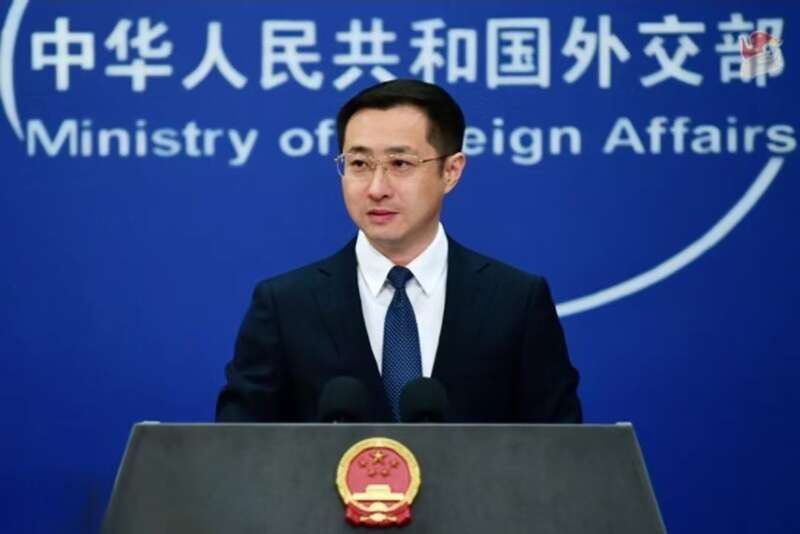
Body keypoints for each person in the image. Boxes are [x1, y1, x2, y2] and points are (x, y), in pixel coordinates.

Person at [216, 79, 581, 423]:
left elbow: (559, 449)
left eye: (400, 164)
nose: (377, 188)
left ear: (451, 171)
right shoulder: (284, 305)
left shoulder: (516, 301)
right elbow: (239, 447)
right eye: (359, 164)